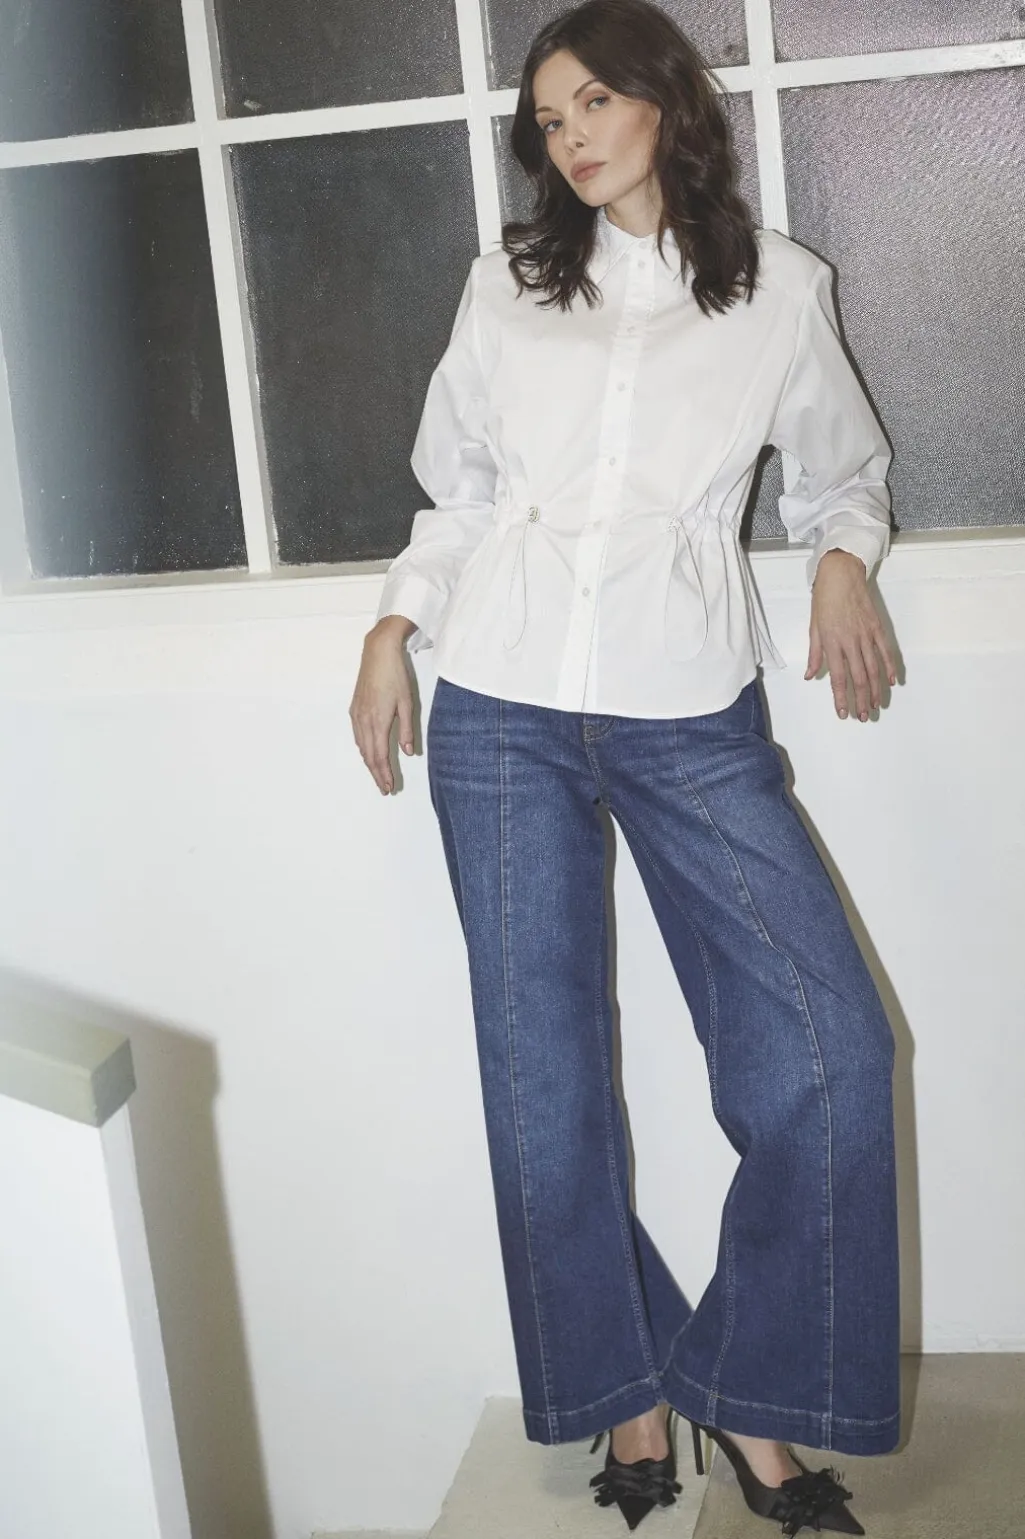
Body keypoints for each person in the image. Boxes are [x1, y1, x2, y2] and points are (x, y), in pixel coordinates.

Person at [349, 1, 901, 1532]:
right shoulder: (509, 287)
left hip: (688, 708)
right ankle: (627, 1392)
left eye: (594, 100)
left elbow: (845, 474)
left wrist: (842, 560)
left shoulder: (780, 290)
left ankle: (753, 1392)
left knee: (831, 1057)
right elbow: (457, 495)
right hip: (500, 707)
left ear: (664, 98)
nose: (571, 135)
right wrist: (396, 625)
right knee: (543, 1083)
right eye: (549, 118)